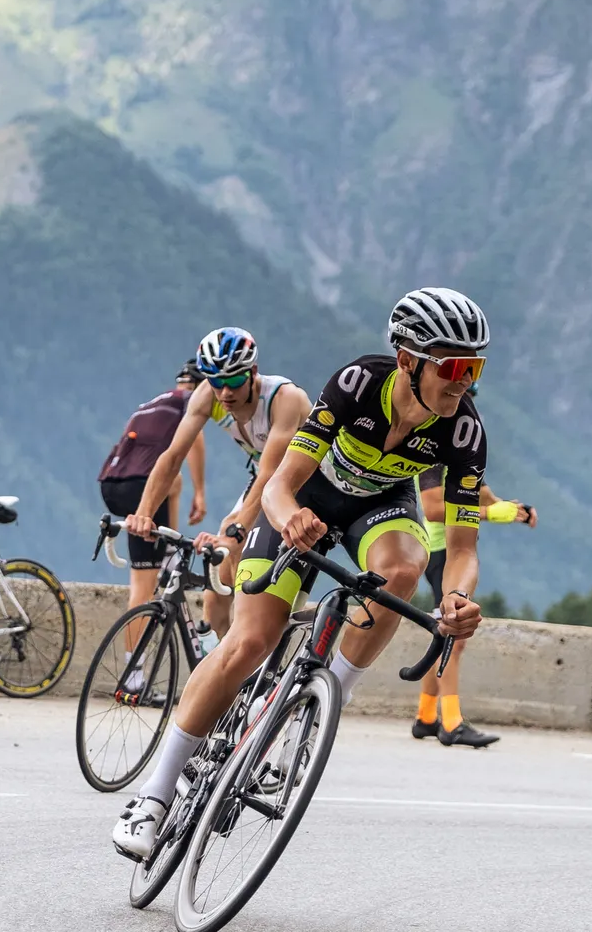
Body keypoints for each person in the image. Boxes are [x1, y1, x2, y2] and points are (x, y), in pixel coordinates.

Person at [113, 288, 492, 859]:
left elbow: (462, 547)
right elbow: (279, 485)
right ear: (410, 359)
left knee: (406, 567)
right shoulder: (358, 384)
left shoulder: (463, 431)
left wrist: (459, 597)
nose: (465, 381)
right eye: (456, 366)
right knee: (249, 644)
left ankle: (327, 696)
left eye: (476, 366)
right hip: (305, 499)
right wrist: (289, 520)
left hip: (380, 508)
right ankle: (154, 795)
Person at [125, 328, 309, 638]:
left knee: (237, 539)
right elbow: (172, 457)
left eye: (234, 381)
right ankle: (234, 674)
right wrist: (144, 512)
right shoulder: (207, 396)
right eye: (216, 381)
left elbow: (269, 474)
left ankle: (257, 639)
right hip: (266, 480)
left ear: (252, 372)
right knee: (216, 593)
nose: (225, 393)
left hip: (306, 481)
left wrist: (238, 530)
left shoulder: (285, 399)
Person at [410, 466, 536, 748]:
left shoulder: (463, 454)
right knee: (454, 638)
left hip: (453, 552)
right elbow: (432, 509)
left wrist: (515, 509)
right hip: (443, 554)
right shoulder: (433, 456)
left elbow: (484, 495)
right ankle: (452, 724)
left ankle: (426, 716)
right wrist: (490, 514)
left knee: (445, 636)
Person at [98, 360, 206, 687]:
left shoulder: (152, 405)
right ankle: (134, 677)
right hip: (141, 487)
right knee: (143, 588)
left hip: (111, 485)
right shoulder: (193, 402)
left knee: (172, 483)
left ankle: (169, 554)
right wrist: (201, 492)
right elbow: (194, 445)